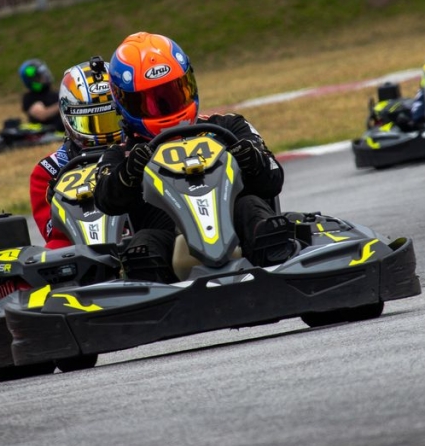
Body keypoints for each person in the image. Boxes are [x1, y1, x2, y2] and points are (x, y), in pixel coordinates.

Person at [93, 31, 295, 282]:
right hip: (168, 253)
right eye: (152, 102)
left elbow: (273, 178)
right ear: (124, 103)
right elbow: (104, 199)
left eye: (173, 93)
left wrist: (252, 160)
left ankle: (279, 263)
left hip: (242, 237)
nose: (167, 108)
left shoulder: (229, 128)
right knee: (143, 245)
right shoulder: (122, 154)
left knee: (250, 208)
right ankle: (149, 294)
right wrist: (128, 173)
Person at [29, 57, 123, 248]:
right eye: (91, 122)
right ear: (68, 118)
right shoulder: (49, 170)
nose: (104, 132)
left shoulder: (139, 148)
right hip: (81, 251)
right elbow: (54, 236)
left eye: (111, 119)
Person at [18, 58, 62, 129]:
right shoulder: (29, 98)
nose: (45, 77)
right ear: (33, 80)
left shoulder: (54, 93)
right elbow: (42, 115)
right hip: (48, 130)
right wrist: (63, 105)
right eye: (41, 76)